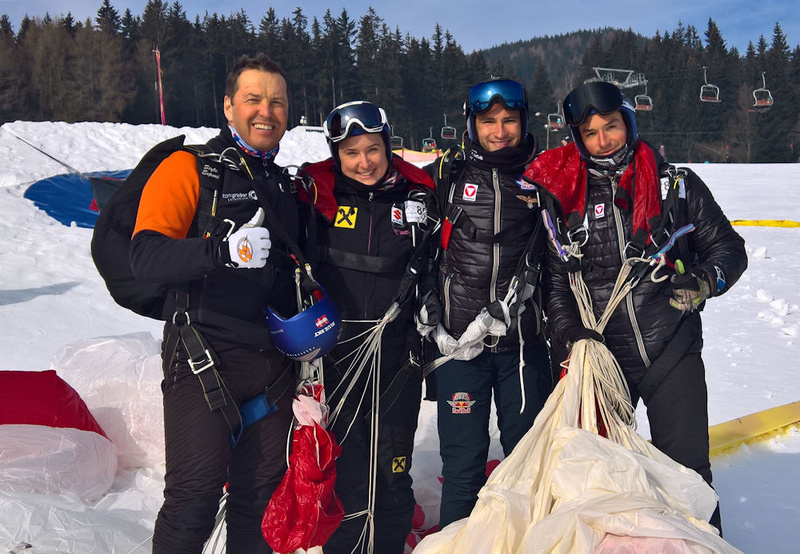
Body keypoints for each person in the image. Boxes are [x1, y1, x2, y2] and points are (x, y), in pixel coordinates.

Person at [524, 80, 748, 533]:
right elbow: (556, 282)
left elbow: (729, 248)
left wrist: (706, 279)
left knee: (687, 476)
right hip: (602, 361)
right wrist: (570, 334)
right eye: (591, 133)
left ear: (628, 122)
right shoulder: (562, 197)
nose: (604, 140)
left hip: (670, 349)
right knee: (597, 480)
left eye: (611, 127)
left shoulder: (677, 188)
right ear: (577, 138)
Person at [130, 53, 299, 553]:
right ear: (228, 107)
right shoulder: (190, 170)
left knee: (259, 502)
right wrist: (219, 251)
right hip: (203, 356)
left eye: (277, 101)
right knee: (193, 499)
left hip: (271, 366)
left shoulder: (283, 185)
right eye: (253, 99)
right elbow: (145, 255)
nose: (265, 111)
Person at [300, 101, 438, 553]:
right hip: (338, 358)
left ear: (388, 146)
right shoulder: (316, 196)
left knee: (393, 472)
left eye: (373, 149)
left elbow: (441, 261)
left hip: (399, 356)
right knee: (349, 469)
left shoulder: (417, 195)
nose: (364, 162)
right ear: (336, 155)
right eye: (352, 152)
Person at [424, 78, 553, 529]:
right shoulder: (449, 174)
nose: (500, 131)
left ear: (523, 122)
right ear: (472, 124)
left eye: (509, 120)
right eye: (489, 122)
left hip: (522, 349)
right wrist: (428, 311)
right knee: (462, 469)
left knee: (527, 464)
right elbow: (419, 250)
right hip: (460, 349)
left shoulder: (544, 178)